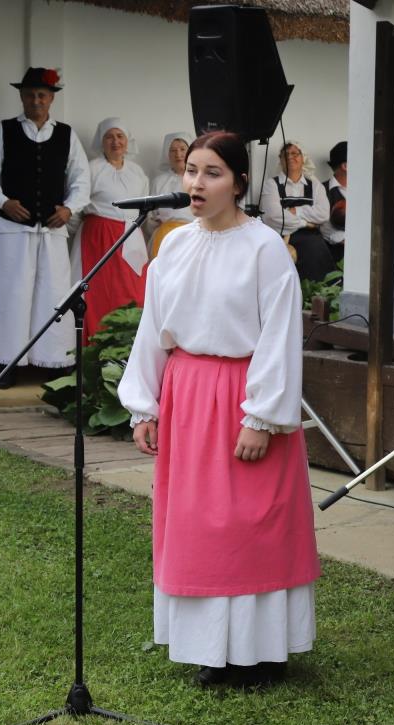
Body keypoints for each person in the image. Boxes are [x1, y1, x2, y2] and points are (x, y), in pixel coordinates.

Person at [118, 131, 320, 690]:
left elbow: (279, 335)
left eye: (212, 173)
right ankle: (211, 648)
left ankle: (262, 653)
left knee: (251, 526)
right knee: (198, 527)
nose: (197, 183)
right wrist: (144, 405)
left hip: (243, 395)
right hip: (187, 396)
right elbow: (153, 329)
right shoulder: (174, 245)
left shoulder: (264, 249)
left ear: (238, 182)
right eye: (191, 171)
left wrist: (261, 417)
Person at [0, 67, 90, 388]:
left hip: (53, 229)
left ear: (51, 98)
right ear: (21, 97)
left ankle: (56, 361)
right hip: (14, 229)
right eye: (29, 95)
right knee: (12, 294)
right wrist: (3, 202)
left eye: (41, 95)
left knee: (55, 293)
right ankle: (7, 364)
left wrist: (69, 208)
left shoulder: (67, 135)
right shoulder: (3, 131)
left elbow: (82, 180)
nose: (35, 100)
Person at [72, 117, 149, 340]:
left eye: (119, 136)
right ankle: (95, 345)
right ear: (101, 141)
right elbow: (78, 202)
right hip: (98, 238)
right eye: (109, 137)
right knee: (97, 291)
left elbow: (144, 207)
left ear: (127, 140)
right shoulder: (92, 168)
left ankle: (128, 346)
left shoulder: (137, 172)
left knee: (133, 292)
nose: (115, 142)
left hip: (131, 237)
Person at [259, 140, 333, 282]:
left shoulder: (315, 185)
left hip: (313, 245)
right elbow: (272, 217)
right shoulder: (271, 184)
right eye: (285, 154)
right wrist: (306, 223)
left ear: (303, 158)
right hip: (283, 242)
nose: (290, 157)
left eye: (295, 153)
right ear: (281, 160)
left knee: (319, 284)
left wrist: (295, 211)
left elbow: (323, 214)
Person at [147, 131, 195, 257]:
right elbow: (151, 215)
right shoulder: (159, 182)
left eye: (182, 149)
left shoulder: (199, 179)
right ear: (167, 154)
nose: (178, 154)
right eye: (173, 150)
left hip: (194, 237)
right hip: (165, 237)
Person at [319, 140, 347, 265]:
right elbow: (323, 227)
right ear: (345, 166)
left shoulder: (367, 190)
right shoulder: (320, 190)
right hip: (335, 257)